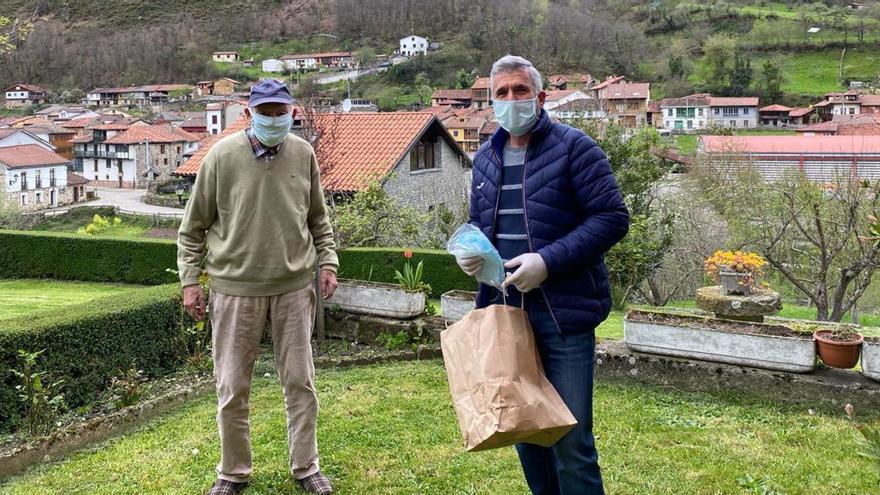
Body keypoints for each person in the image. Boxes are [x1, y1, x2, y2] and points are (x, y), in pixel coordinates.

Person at [457, 55, 630, 495]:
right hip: (507, 316)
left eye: (520, 90)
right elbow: (481, 226)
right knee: (526, 431)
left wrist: (546, 262)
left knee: (571, 441)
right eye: (502, 93)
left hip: (563, 317)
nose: (511, 100)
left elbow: (611, 218)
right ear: (490, 99)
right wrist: (474, 258)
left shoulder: (576, 148)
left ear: (540, 96)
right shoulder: (485, 160)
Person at [177, 79, 338, 495]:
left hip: (293, 289)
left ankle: (306, 467)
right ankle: (233, 473)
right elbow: (192, 229)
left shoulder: (304, 155)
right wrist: (190, 282)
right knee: (232, 386)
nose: (272, 119)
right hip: (234, 291)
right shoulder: (220, 157)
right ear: (247, 114)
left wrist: (329, 261)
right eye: (263, 112)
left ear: (292, 114)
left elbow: (318, 219)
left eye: (279, 112)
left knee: (301, 382)